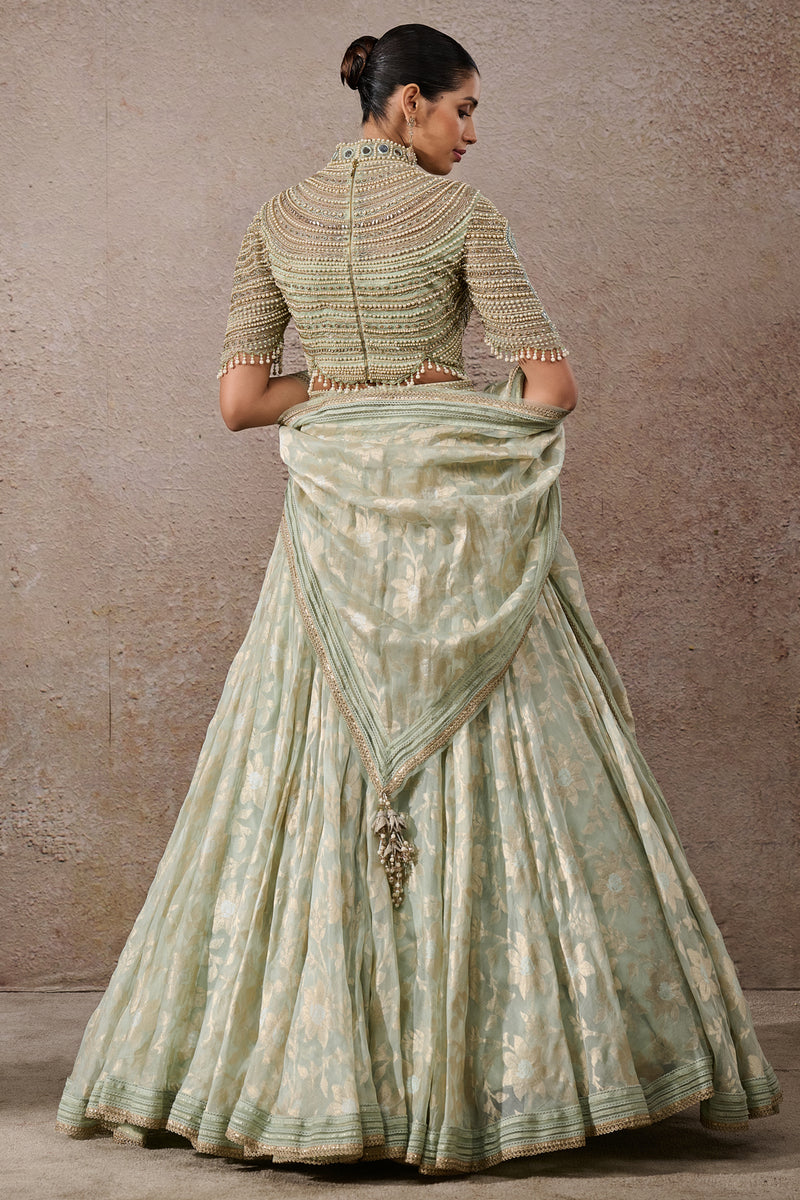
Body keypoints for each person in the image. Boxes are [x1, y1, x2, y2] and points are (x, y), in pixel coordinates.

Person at [56, 23, 780, 1175]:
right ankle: (516, 1072)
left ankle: (316, 1082)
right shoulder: (459, 215)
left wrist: (348, 385)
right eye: (463, 108)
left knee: (301, 766)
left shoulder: (275, 219)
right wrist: (436, 393)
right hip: (458, 527)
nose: (471, 133)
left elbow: (241, 402)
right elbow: (549, 387)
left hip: (331, 525)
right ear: (407, 105)